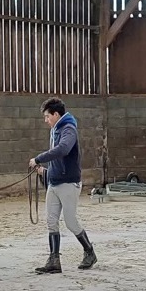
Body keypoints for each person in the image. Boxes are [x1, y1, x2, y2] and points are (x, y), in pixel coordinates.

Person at [28, 97, 97, 274]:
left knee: (71, 221)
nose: (46, 120)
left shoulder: (68, 129)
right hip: (55, 182)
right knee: (51, 221)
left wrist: (39, 158)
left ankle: (89, 251)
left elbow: (63, 150)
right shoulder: (56, 129)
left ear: (56, 114)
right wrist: (44, 171)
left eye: (47, 116)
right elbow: (58, 161)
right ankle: (54, 260)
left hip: (68, 183)